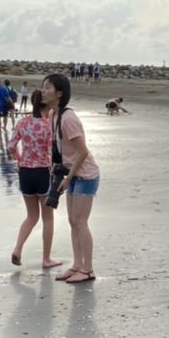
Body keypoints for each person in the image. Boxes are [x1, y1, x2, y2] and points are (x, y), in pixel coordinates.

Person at [41, 73, 101, 284]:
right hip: (72, 173)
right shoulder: (53, 116)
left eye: (48, 87)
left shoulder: (68, 118)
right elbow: (60, 149)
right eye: (43, 86)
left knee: (80, 221)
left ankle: (88, 269)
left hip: (85, 174)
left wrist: (69, 178)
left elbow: (83, 152)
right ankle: (77, 265)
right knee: (72, 221)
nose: (43, 90)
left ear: (59, 94)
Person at [7, 90, 63, 270]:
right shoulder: (48, 125)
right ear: (46, 104)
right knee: (48, 218)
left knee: (31, 216)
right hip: (42, 171)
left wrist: (19, 158)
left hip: (25, 172)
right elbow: (55, 150)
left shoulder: (23, 122)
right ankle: (46, 258)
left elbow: (11, 145)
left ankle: (17, 249)